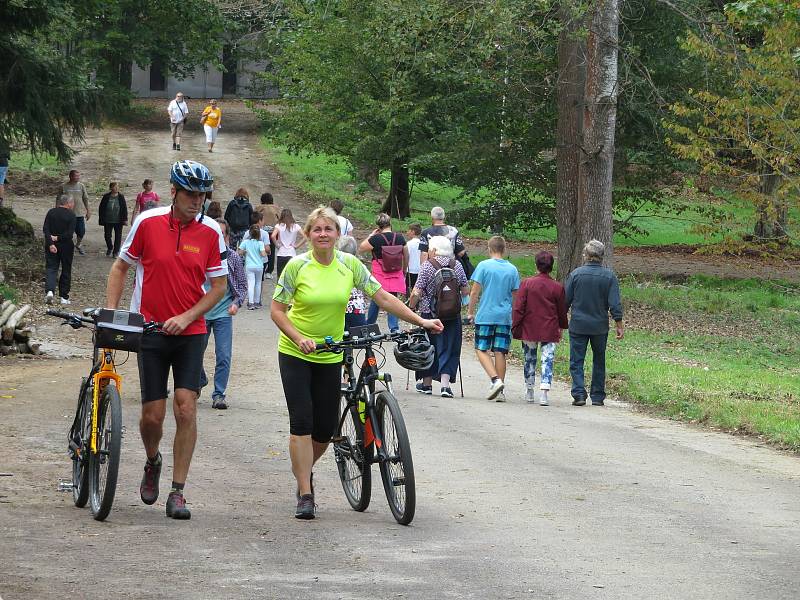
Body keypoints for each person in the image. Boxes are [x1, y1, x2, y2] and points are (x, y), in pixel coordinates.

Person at [270, 206, 443, 519]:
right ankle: (305, 492)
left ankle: (304, 469)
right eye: (317, 229)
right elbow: (277, 311)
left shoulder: (349, 264)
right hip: (297, 353)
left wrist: (421, 321)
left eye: (329, 229)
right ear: (308, 235)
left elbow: (383, 298)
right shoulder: (297, 267)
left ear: (338, 234)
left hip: (331, 354)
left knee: (323, 431)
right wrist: (299, 338)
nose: (323, 234)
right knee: (302, 422)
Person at [105, 160, 228, 520]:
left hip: (191, 332)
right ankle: (152, 459)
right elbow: (120, 267)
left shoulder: (210, 232)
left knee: (186, 406)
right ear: (173, 192)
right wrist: (114, 315)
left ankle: (178, 492)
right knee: (152, 417)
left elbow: (218, 287)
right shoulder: (147, 222)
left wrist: (189, 316)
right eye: (191, 194)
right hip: (151, 331)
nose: (197, 201)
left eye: (203, 195)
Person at [564, 240, 624, 407]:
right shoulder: (609, 276)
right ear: (602, 256)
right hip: (599, 325)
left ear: (586, 255)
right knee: (599, 359)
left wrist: (560, 321)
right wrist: (619, 323)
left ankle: (578, 393)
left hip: (578, 324)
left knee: (577, 360)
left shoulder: (575, 275)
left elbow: (565, 301)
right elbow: (615, 303)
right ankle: (597, 395)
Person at [408, 235, 469, 398]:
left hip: (430, 314)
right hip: (452, 315)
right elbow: (465, 290)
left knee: (429, 346)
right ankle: (445, 386)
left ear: (434, 250)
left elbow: (417, 291)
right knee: (450, 347)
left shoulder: (427, 266)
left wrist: (411, 307)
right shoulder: (457, 265)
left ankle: (427, 384)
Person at [200, 218, 247, 410]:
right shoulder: (199, 254)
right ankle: (199, 380)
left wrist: (236, 303)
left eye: (222, 234)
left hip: (223, 313)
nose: (217, 237)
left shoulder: (233, 258)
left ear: (227, 237)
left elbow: (243, 286)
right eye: (214, 233)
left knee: (224, 355)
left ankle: (219, 394)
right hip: (200, 312)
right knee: (193, 354)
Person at [466, 236, 520, 402]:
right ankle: (501, 390)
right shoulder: (512, 269)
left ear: (489, 249)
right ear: (504, 249)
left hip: (486, 315)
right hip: (504, 316)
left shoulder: (484, 266)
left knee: (481, 349)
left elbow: (474, 291)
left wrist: (470, 311)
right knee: (500, 351)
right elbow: (515, 294)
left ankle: (495, 380)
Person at [512, 250, 568, 406]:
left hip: (529, 327)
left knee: (529, 358)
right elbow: (561, 310)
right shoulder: (557, 287)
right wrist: (562, 326)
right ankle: (544, 392)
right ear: (551, 266)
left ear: (536, 265)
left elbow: (519, 307)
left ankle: (529, 390)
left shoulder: (527, 283)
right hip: (549, 328)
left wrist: (516, 324)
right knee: (547, 359)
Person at [359, 213, 407, 333]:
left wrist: (372, 234)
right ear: (390, 223)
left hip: (380, 272)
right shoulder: (400, 237)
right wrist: (404, 270)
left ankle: (369, 325)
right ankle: (394, 328)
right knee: (393, 299)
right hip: (395, 271)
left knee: (376, 298)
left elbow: (361, 247)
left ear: (378, 226)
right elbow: (406, 254)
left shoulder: (375, 239)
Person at [43, 195, 76, 305]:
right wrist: (59, 238)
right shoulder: (71, 215)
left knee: (51, 268)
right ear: (68, 203)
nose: (73, 205)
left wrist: (51, 243)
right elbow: (70, 234)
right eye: (72, 203)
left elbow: (46, 229)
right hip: (66, 246)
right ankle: (64, 297)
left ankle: (50, 291)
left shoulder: (51, 212)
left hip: (51, 245)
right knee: (66, 269)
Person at [338, 236, 368, 329]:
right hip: (357, 307)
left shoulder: (334, 264)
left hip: (338, 307)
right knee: (358, 338)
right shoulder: (359, 265)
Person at [58, 170, 91, 255]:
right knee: (67, 232)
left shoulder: (81, 186)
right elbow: (58, 199)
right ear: (71, 176)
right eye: (76, 176)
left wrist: (88, 210)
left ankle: (78, 244)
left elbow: (85, 198)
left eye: (78, 176)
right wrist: (57, 210)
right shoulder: (63, 186)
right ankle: (67, 248)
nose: (78, 177)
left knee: (81, 231)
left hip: (79, 213)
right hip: (66, 213)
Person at [238, 223, 268, 309]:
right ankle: (257, 302)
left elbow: (239, 252)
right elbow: (263, 254)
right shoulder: (260, 243)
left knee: (251, 283)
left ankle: (250, 303)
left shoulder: (246, 242)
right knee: (258, 283)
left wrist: (245, 252)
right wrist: (265, 253)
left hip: (249, 266)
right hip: (259, 266)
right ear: (259, 234)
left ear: (250, 233)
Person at [271, 208, 305, 280]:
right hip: (291, 253)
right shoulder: (296, 226)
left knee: (280, 277)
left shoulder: (279, 226)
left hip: (281, 253)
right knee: (291, 277)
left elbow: (273, 236)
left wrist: (277, 245)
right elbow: (305, 237)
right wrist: (296, 246)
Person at [98, 182, 128, 258]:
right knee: (107, 236)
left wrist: (125, 219)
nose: (117, 188)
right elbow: (101, 208)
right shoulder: (106, 196)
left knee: (118, 236)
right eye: (115, 187)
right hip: (108, 220)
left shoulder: (121, 197)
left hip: (118, 220)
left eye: (118, 187)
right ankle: (110, 247)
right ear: (111, 188)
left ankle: (116, 252)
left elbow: (124, 208)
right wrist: (101, 219)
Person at [255, 192, 281, 279]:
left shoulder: (259, 208)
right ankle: (269, 271)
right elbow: (280, 219)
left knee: (259, 248)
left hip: (261, 231)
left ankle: (260, 266)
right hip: (272, 232)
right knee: (271, 250)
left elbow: (254, 217)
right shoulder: (276, 208)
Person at [406, 222, 422, 294]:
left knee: (409, 290)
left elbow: (406, 256)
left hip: (410, 271)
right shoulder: (422, 243)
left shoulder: (409, 244)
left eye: (408, 230)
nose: (407, 232)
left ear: (413, 231)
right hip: (420, 271)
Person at [0, 142, 9, 208]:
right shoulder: (5, 141)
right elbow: (8, 155)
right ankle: (1, 201)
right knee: (1, 183)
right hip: (5, 164)